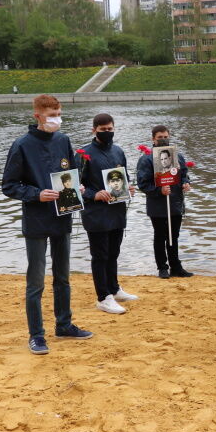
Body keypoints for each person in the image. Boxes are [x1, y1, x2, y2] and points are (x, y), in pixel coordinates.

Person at [1, 94, 93, 355]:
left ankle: (64, 324)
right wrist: (36, 194)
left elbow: (70, 173)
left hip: (63, 216)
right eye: (51, 115)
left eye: (59, 113)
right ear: (37, 116)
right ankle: (36, 335)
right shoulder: (21, 145)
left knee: (63, 277)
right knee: (36, 281)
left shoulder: (63, 140)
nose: (56, 119)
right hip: (37, 220)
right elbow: (9, 186)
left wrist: (79, 187)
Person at [76, 113, 139, 315]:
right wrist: (94, 195)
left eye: (110, 129)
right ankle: (103, 297)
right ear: (94, 130)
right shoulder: (83, 154)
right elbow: (75, 186)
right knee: (100, 255)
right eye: (103, 130)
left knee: (114, 252)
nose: (107, 133)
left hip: (117, 210)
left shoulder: (118, 151)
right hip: (96, 212)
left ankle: (114, 288)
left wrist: (128, 188)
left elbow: (124, 177)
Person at [137, 125, 194, 279]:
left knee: (173, 236)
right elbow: (142, 184)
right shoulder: (146, 160)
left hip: (175, 203)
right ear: (153, 139)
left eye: (165, 137)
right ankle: (162, 267)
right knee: (160, 235)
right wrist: (159, 191)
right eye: (159, 138)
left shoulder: (178, 156)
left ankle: (176, 267)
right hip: (157, 205)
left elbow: (184, 175)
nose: (163, 140)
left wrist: (185, 183)